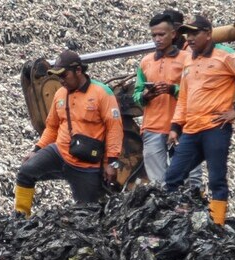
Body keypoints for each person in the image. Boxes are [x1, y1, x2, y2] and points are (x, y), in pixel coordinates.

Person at [165, 14, 235, 225]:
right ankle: (176, 220)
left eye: (194, 33)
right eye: (187, 34)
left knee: (217, 178)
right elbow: (183, 96)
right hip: (191, 130)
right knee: (172, 177)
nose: (189, 38)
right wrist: (175, 127)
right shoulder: (189, 60)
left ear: (208, 34)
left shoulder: (225, 55)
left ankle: (217, 223)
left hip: (215, 128)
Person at [14, 50, 124, 217]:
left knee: (88, 213)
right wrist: (36, 150)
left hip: (87, 165)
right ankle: (20, 216)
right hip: (60, 153)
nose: (61, 80)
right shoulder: (60, 94)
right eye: (58, 76)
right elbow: (52, 127)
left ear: (78, 70)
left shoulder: (102, 93)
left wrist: (112, 163)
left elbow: (114, 128)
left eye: (64, 75)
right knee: (25, 172)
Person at [135, 12, 191, 186]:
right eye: (154, 35)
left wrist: (173, 89)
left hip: (183, 125)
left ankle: (186, 212)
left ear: (173, 34)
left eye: (161, 34)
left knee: (187, 178)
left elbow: (196, 92)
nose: (157, 39)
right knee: (157, 183)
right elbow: (136, 95)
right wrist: (146, 96)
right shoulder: (145, 62)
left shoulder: (187, 59)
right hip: (153, 127)